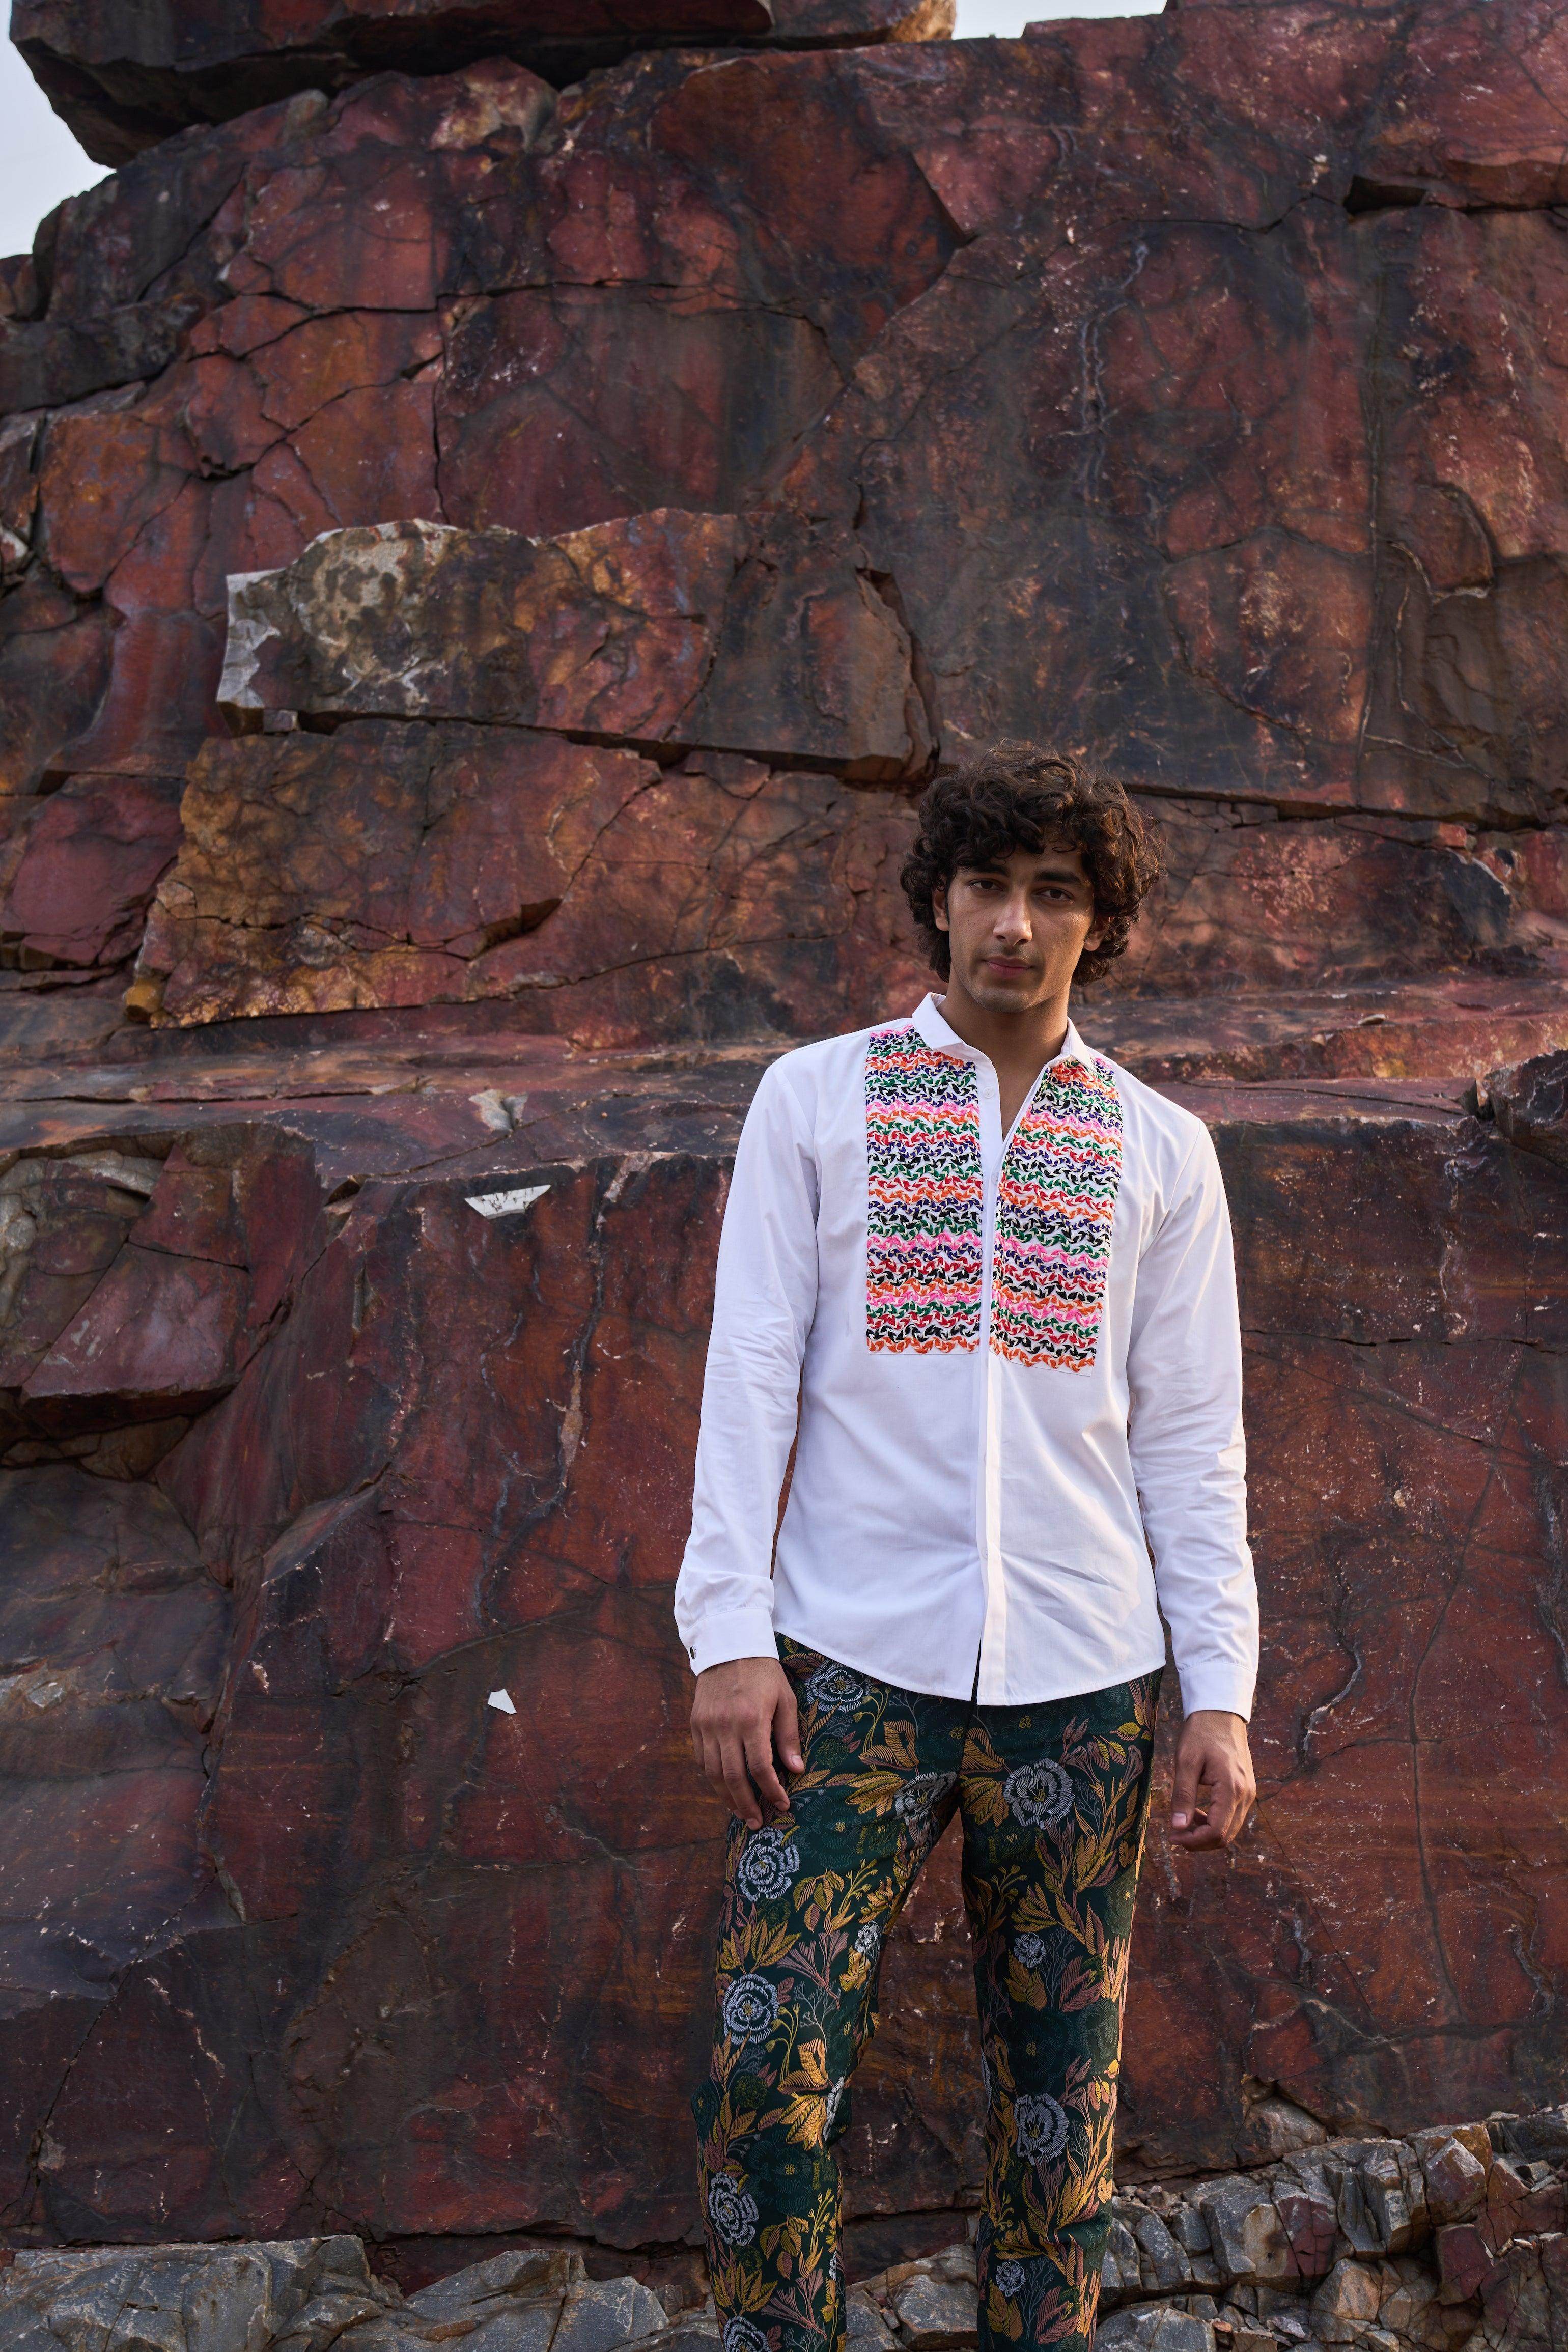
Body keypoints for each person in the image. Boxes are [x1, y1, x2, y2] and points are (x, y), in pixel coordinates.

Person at [674, 741, 1258, 2352]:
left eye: (1054, 893)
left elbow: (1192, 1442)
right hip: (845, 1668)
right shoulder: (817, 1100)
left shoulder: (1161, 1148)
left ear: (1098, 923)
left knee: (1059, 2115)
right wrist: (728, 1633)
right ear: (938, 899)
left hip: (1085, 1677)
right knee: (765, 2067)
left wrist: (1219, 1692)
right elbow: (748, 1373)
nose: (1015, 922)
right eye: (988, 884)